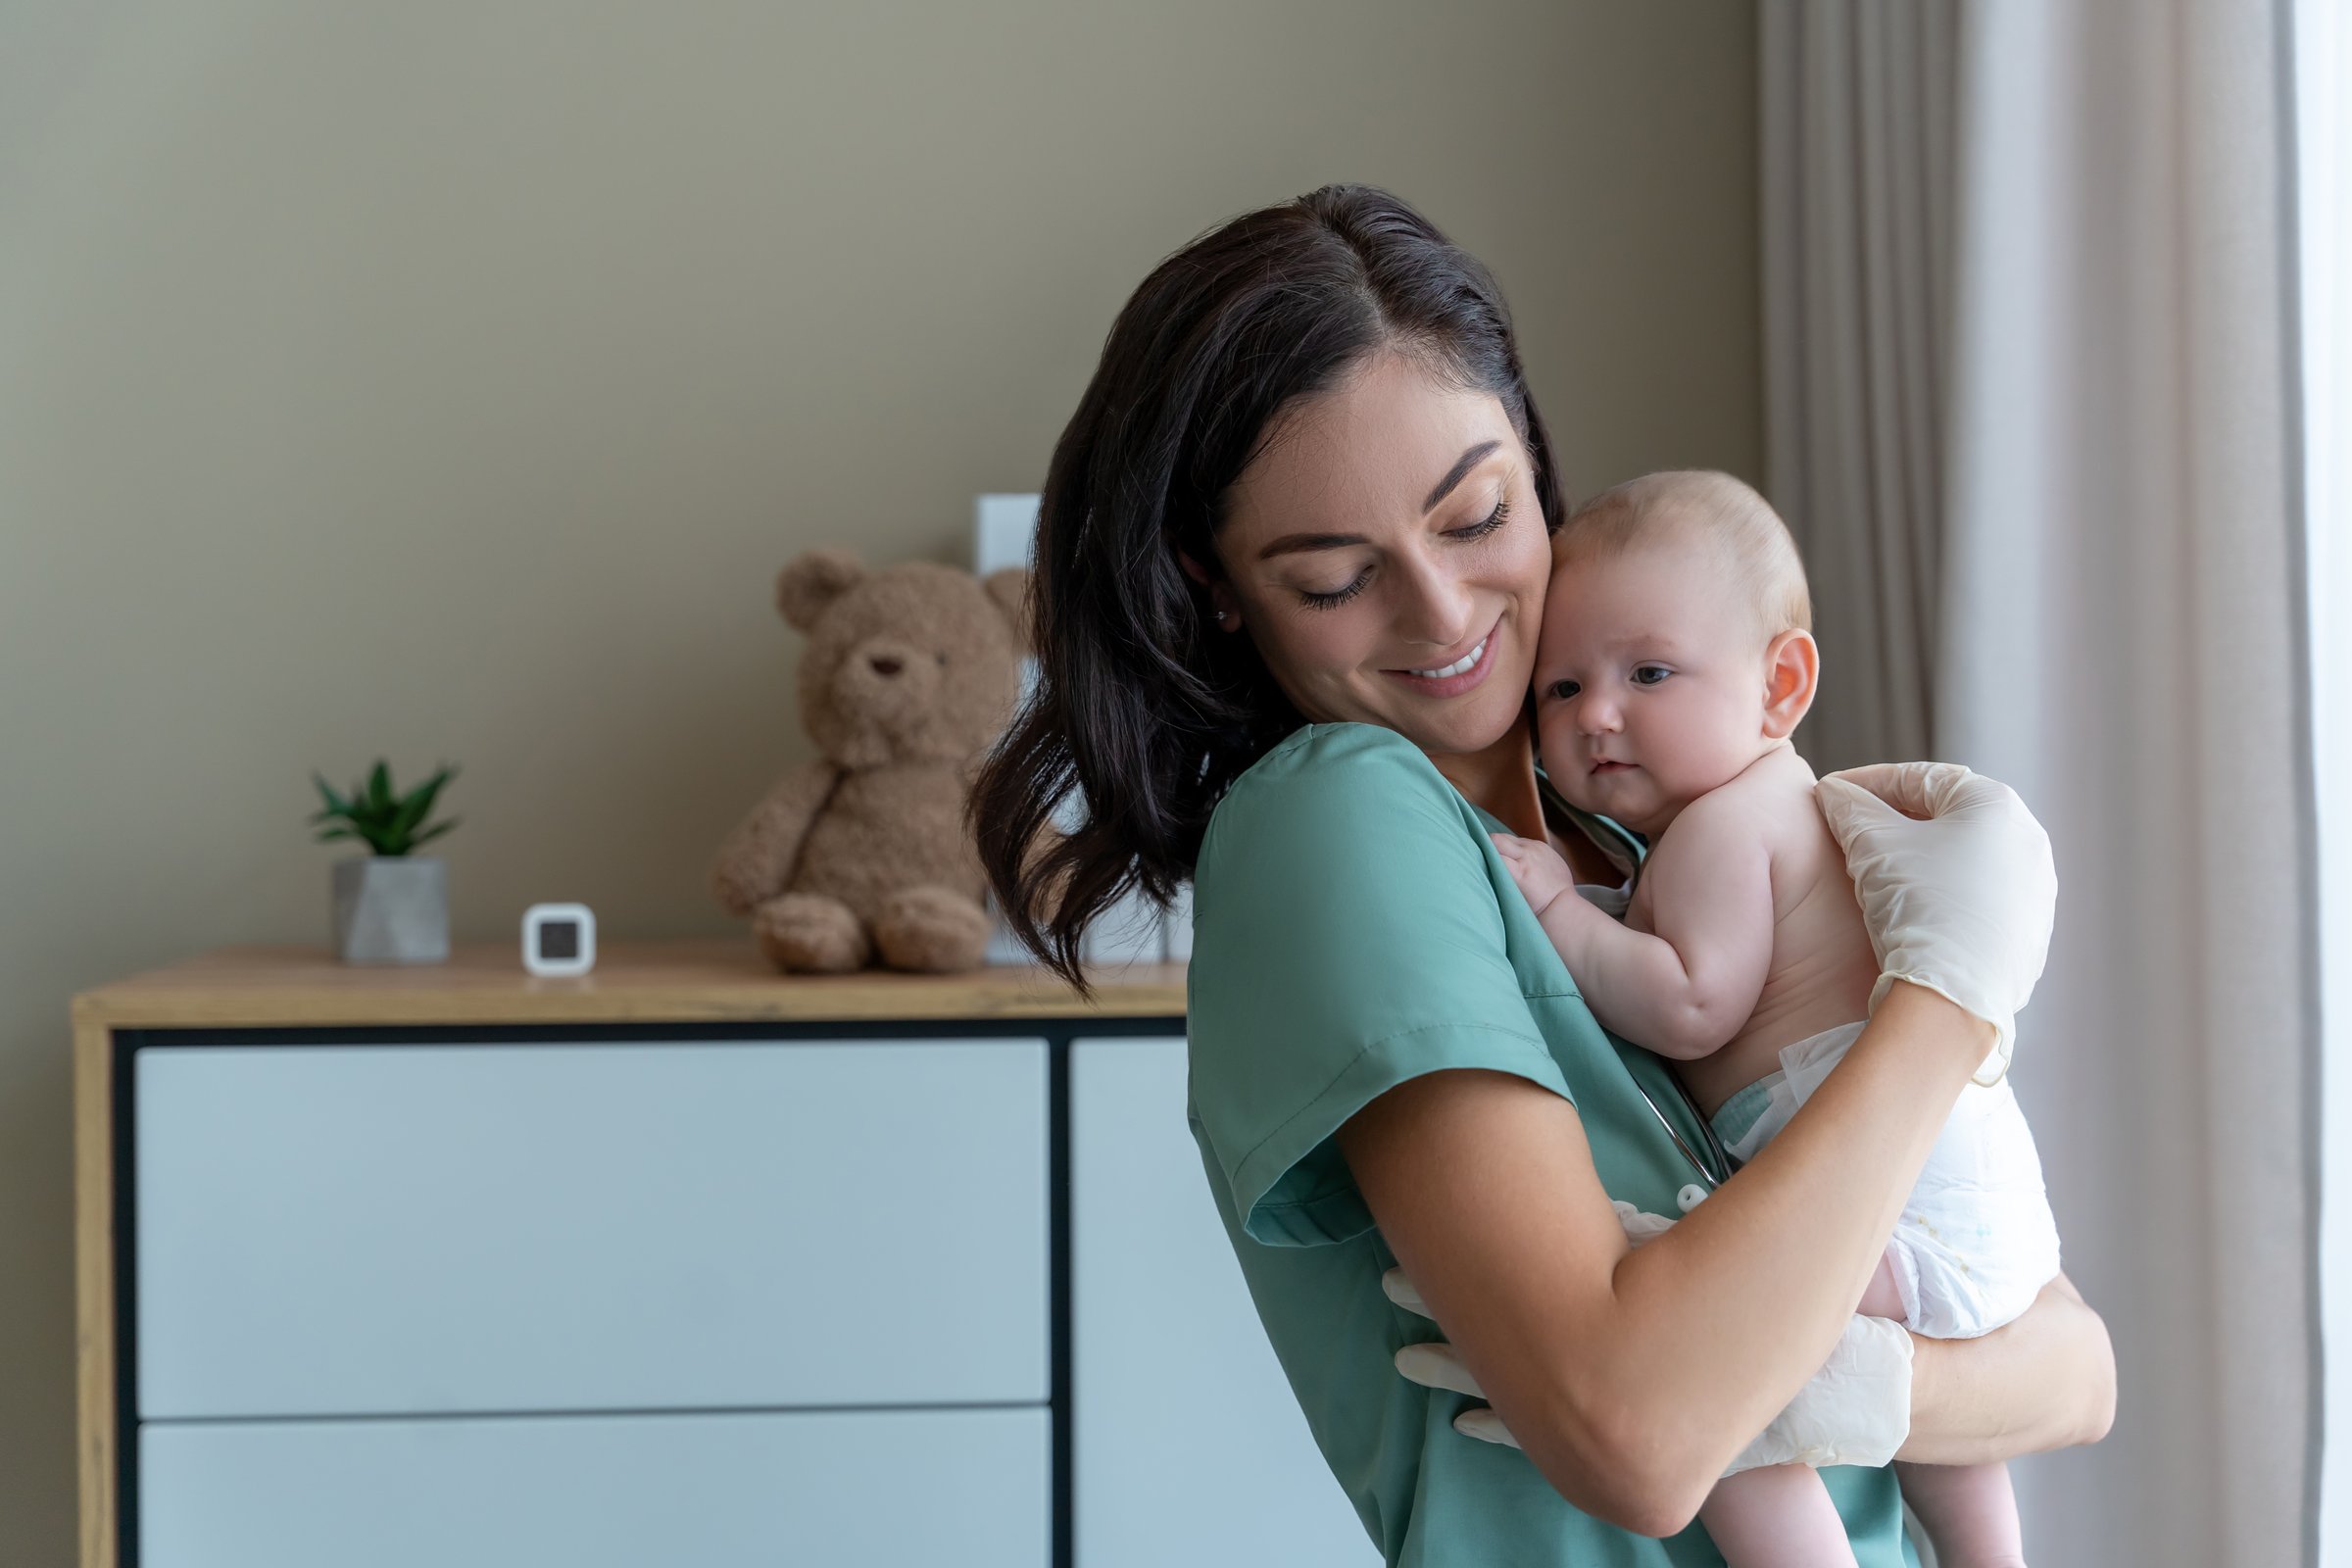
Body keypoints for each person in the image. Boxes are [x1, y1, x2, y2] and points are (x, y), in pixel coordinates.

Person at [972, 183, 2113, 1565]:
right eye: (1334, 579)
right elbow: (1638, 1437)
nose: (1445, 616)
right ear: (1224, 593)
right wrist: (1947, 1004)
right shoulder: (1342, 820)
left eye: (1476, 516)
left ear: (1530, 452)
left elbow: (2077, 1375)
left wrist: (1861, 1383)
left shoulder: (1632, 835)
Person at [1488, 469, 2061, 1568]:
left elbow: (1691, 1004)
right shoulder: (1761, 814)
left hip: (1898, 1193)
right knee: (1937, 1441)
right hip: (1961, 1187)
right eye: (1559, 689)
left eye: (1647, 672)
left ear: (1777, 683)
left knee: (1734, 1387)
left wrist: (1561, 913)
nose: (1595, 713)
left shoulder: (1720, 829)